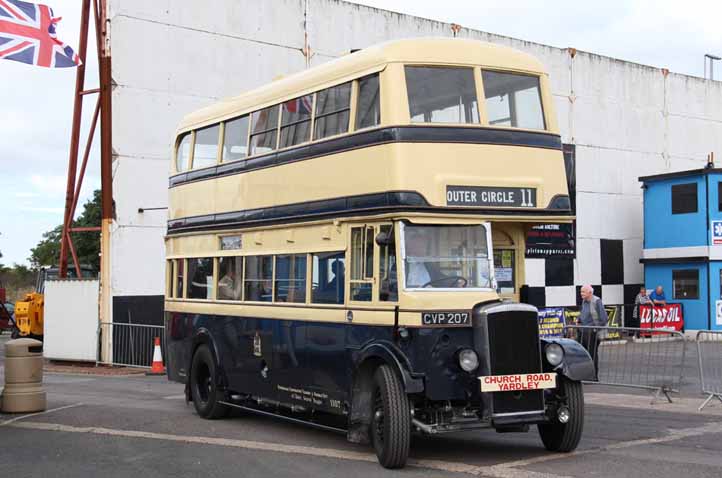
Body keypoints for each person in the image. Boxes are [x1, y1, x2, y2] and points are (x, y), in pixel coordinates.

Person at [578, 285, 608, 379]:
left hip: (592, 333)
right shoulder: (584, 301)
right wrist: (578, 320)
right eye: (581, 291)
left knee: (592, 355)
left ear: (590, 293)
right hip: (583, 332)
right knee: (583, 355)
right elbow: (583, 314)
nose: (581, 294)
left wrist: (594, 328)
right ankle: (585, 375)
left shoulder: (597, 301)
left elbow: (604, 319)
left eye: (583, 292)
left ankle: (593, 377)